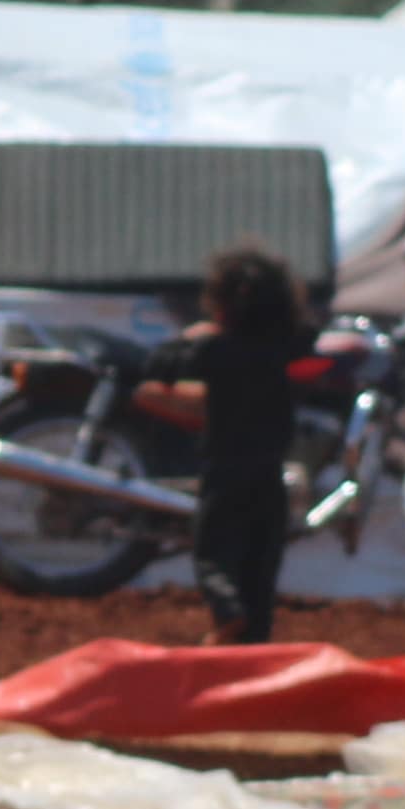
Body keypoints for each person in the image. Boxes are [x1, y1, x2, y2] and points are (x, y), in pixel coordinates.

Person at [129, 241, 314, 648]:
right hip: (271, 472)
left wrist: (190, 339)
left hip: (226, 466)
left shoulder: (215, 349)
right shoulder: (282, 347)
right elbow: (312, 343)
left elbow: (158, 368)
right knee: (260, 564)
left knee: (214, 554)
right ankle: (254, 636)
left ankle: (228, 612)